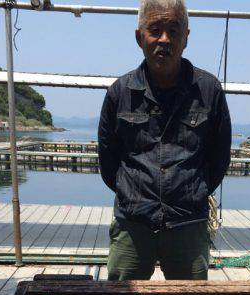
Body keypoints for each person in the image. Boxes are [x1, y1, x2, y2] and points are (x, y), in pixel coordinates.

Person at [98, 0, 231, 280]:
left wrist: (196, 190)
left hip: (189, 223)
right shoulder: (119, 93)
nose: (164, 39)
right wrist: (130, 193)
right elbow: (108, 159)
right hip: (132, 222)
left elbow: (220, 156)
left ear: (186, 37)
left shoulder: (209, 90)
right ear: (139, 37)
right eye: (155, 30)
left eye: (173, 30)